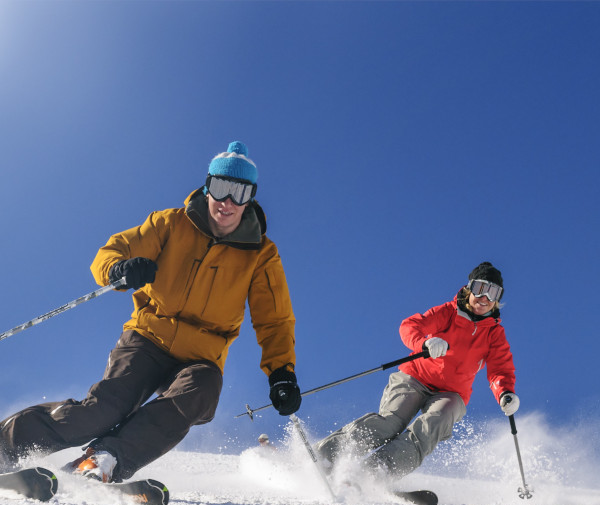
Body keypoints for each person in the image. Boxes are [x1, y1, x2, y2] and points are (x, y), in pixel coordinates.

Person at [0, 141, 302, 482]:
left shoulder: (261, 254)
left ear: (250, 198)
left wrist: (282, 372)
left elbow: (274, 318)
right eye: (221, 189)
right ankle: (6, 446)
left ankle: (105, 458)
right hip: (147, 337)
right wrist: (119, 269)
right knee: (104, 410)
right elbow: (114, 249)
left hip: (201, 356)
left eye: (240, 193)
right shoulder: (171, 223)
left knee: (200, 392)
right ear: (208, 187)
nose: (228, 202)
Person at [315, 261, 520, 479]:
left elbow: (500, 368)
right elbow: (410, 325)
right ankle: (325, 456)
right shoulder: (448, 313)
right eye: (480, 289)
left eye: (493, 293)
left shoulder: (494, 334)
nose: (485, 298)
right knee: (391, 422)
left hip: (451, 394)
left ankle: (375, 473)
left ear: (498, 299)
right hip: (414, 378)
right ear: (469, 289)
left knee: (430, 427)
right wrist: (424, 344)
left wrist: (505, 392)